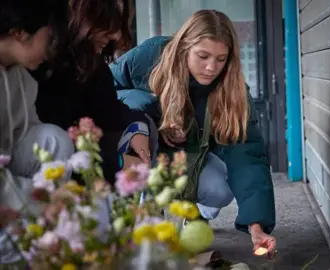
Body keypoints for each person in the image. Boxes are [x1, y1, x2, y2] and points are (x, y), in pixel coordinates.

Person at [111, 10, 277, 257]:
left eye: (221, 59)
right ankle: (141, 216)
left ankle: (192, 212)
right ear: (184, 46)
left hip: (192, 158)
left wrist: (257, 227)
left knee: (220, 188)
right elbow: (105, 90)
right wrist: (147, 106)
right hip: (144, 152)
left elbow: (247, 156)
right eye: (203, 56)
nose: (211, 68)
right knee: (139, 121)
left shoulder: (232, 89)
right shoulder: (151, 55)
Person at [30, 0, 158, 183]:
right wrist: (118, 162)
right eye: (106, 20)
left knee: (146, 126)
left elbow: (112, 112)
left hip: (81, 159)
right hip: (46, 167)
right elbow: (54, 145)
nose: (116, 34)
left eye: (119, 23)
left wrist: (139, 128)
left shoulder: (93, 67)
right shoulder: (38, 63)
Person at [0, 0, 74, 263]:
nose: (52, 48)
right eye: (49, 36)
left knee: (54, 139)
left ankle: (44, 229)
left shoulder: (20, 77)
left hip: (8, 170)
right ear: (20, 32)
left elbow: (27, 130)